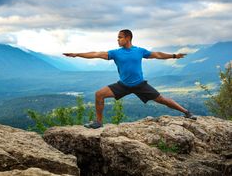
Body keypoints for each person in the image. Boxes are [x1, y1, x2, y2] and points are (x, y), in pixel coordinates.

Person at [63, 29, 197, 129]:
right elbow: (96, 54)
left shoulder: (139, 51)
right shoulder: (115, 52)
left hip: (140, 85)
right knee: (99, 94)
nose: (117, 40)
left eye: (119, 37)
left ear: (127, 38)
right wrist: (77, 54)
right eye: (118, 38)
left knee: (162, 100)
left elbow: (157, 54)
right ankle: (98, 122)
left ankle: (187, 112)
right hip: (123, 85)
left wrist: (174, 56)